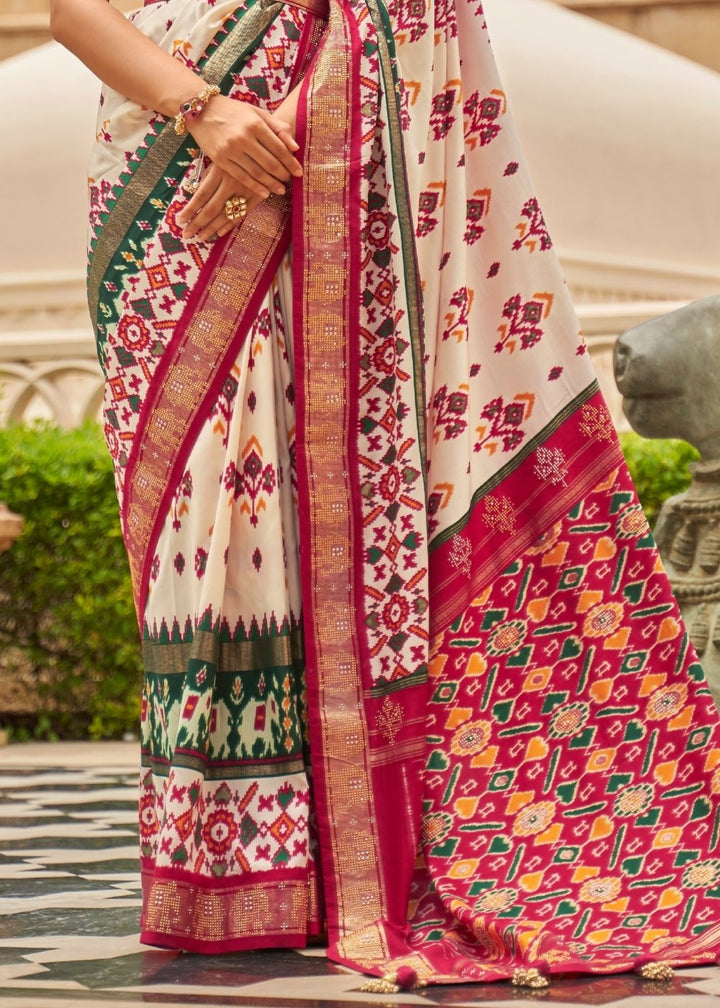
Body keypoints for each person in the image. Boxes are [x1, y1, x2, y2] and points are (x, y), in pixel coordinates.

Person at [52, 0, 720, 990]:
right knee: (208, 518)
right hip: (170, 171)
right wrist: (208, 113)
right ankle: (241, 867)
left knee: (321, 498)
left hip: (329, 150)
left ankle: (359, 861)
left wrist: (310, 116)